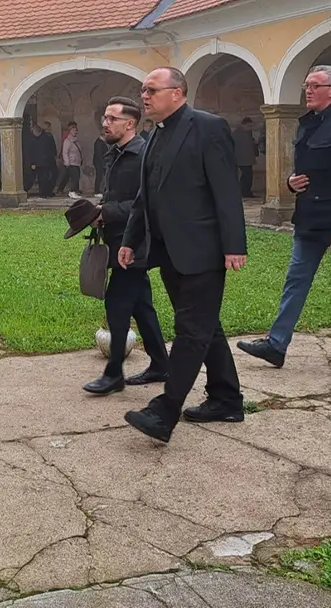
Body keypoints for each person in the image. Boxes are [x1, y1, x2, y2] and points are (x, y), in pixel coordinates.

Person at [119, 67, 248, 444]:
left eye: (152, 90)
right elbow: (147, 195)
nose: (144, 96)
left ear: (177, 93)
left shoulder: (207, 127)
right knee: (205, 326)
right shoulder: (153, 135)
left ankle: (165, 411)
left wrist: (234, 244)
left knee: (192, 330)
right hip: (168, 251)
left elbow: (226, 189)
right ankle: (226, 398)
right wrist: (130, 238)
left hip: (202, 250)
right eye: (142, 90)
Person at [237, 65, 331, 374]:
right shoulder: (307, 124)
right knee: (295, 282)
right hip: (309, 219)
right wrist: (290, 183)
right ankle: (276, 345)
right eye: (306, 86)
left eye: (315, 86)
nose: (308, 91)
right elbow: (305, 171)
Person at [81, 96, 171, 395]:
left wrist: (106, 212)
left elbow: (146, 203)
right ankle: (160, 363)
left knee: (117, 304)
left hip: (136, 244)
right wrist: (99, 209)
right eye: (104, 118)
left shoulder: (143, 154)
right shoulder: (115, 153)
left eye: (112, 119)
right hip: (116, 238)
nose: (105, 123)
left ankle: (113, 373)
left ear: (130, 123)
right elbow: (118, 195)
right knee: (142, 306)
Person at [233, 118, 258, 198]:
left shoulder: (248, 132)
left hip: (247, 158)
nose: (250, 127)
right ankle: (245, 192)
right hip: (242, 159)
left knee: (247, 176)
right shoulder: (236, 133)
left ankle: (245, 191)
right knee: (246, 176)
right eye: (249, 126)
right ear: (243, 125)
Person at [61, 122, 83, 198]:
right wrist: (67, 163)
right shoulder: (67, 141)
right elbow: (65, 152)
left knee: (77, 177)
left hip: (77, 162)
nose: (75, 132)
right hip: (71, 162)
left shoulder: (76, 140)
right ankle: (72, 191)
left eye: (76, 130)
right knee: (74, 177)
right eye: (73, 130)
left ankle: (74, 190)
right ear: (70, 131)